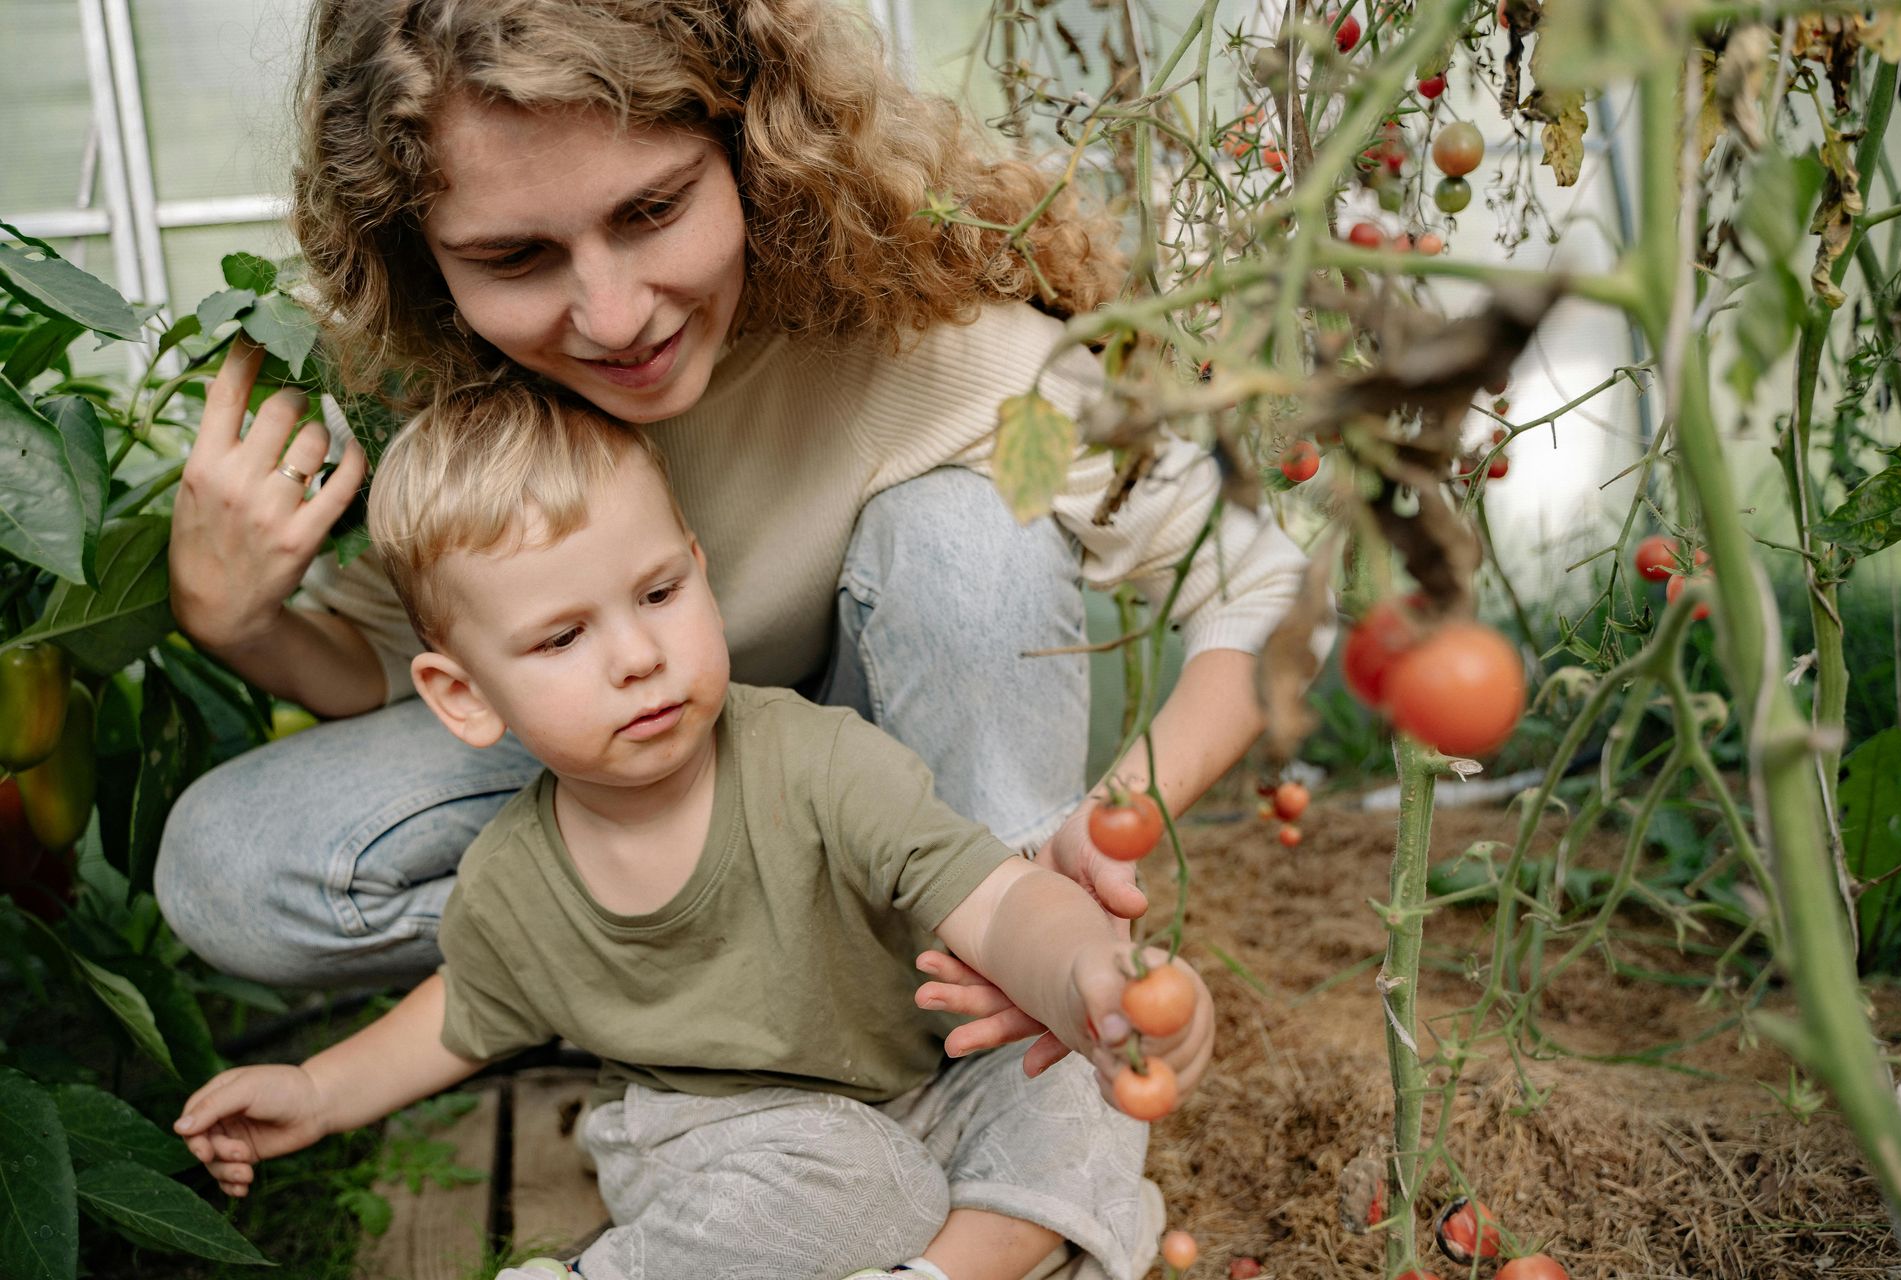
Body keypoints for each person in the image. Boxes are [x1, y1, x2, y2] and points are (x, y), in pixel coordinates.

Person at [157, 0, 1321, 1077]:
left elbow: (1260, 576)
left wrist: (1111, 813)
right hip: (639, 790)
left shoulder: (929, 341)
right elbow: (397, 663)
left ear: (754, 151)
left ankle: (998, 975)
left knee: (970, 535)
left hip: (902, 799)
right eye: (515, 257)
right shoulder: (452, 388)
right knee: (228, 865)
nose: (613, 318)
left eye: (653, 210)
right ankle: (752, 996)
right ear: (423, 250)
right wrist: (237, 619)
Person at [173, 383, 1215, 1280]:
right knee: (865, 1177)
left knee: (1077, 1090)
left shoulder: (819, 762)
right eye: (563, 635)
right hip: (708, 1133)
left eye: (661, 592)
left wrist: (1084, 965)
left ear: (699, 569)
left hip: (915, 1082)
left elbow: (992, 895)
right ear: (463, 694)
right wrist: (315, 1091)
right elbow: (461, 1018)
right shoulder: (517, 872)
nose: (637, 654)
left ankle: (931, 1271)